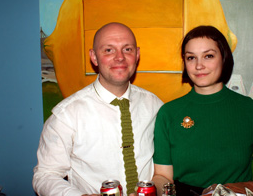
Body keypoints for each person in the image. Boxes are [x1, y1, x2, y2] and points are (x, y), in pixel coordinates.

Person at [152, 25, 253, 196]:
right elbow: (163, 176)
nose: (199, 65)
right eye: (191, 58)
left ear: (223, 58)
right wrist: (148, 190)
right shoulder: (168, 112)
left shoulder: (251, 110)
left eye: (208, 56)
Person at [33, 22, 163, 196]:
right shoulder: (66, 115)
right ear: (94, 57)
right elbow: (45, 175)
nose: (120, 57)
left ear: (137, 54)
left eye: (127, 49)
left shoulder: (155, 105)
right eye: (109, 50)